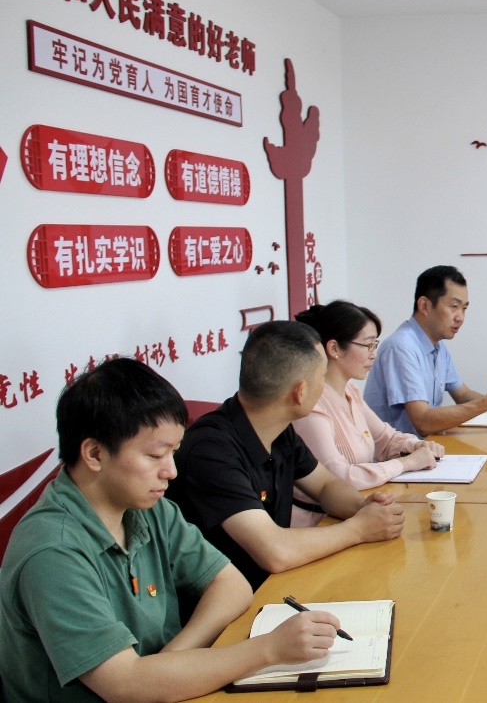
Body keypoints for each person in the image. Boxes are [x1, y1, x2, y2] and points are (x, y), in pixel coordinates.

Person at [0, 359, 341, 702]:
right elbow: (124, 684)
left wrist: (171, 660)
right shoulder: (53, 551)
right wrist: (268, 650)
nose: (171, 471)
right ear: (94, 454)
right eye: (155, 455)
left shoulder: (148, 508)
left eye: (174, 453)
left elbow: (231, 585)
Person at [168, 321, 406, 591]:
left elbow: (325, 485)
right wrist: (360, 529)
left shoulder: (279, 430)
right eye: (322, 378)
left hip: (274, 585)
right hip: (231, 601)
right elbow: (275, 551)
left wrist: (363, 509)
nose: (325, 387)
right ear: (300, 392)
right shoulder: (211, 452)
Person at [291, 300, 446, 527]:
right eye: (367, 345)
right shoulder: (312, 405)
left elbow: (386, 439)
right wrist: (405, 463)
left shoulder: (350, 391)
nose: (373, 354)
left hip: (359, 509)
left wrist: (416, 446)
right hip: (319, 522)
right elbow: (339, 477)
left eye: (375, 345)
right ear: (334, 349)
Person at [364, 265, 487, 436]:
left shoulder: (437, 346)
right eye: (454, 306)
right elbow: (422, 422)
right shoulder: (401, 347)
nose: (460, 317)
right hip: (396, 452)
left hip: (425, 447)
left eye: (464, 308)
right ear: (424, 306)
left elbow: (463, 394)